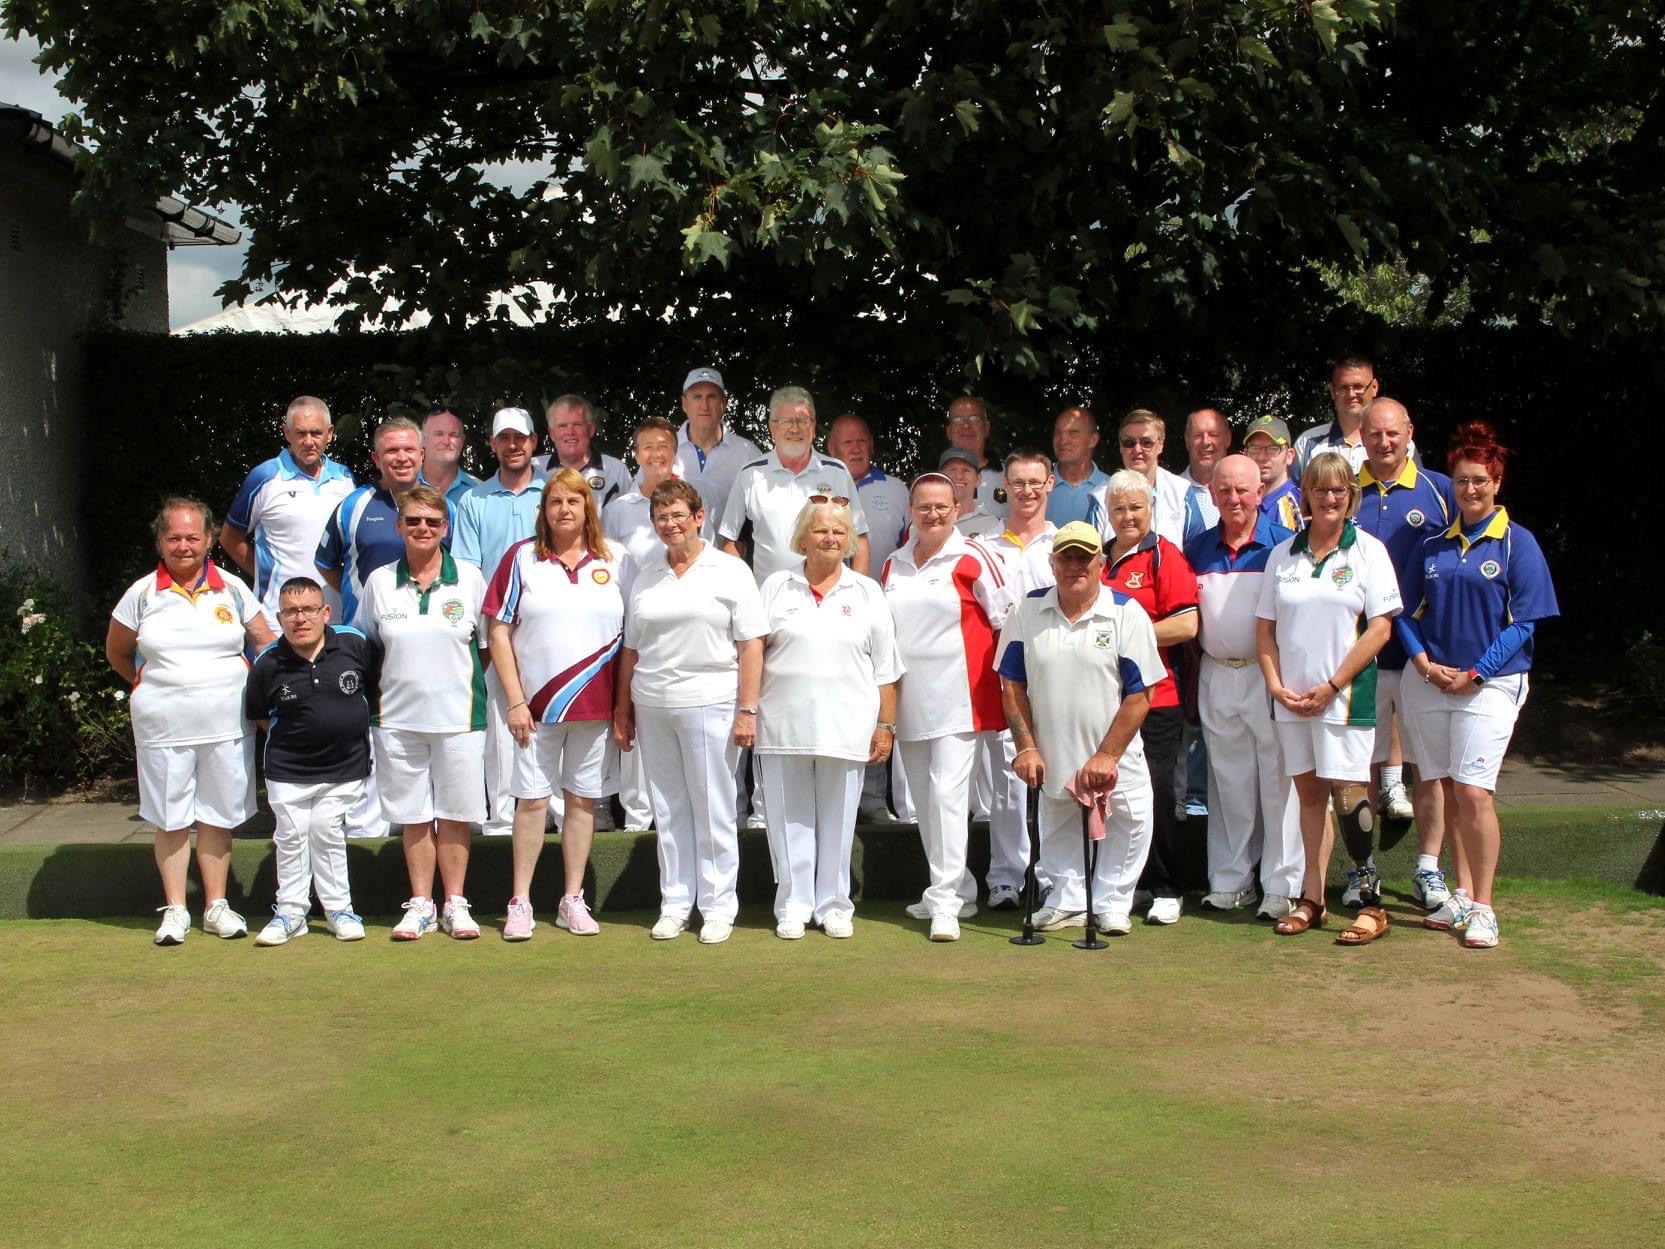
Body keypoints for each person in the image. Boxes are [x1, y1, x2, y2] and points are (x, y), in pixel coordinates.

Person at [1397, 422, 1558, 949]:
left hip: (1490, 684)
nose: (1470, 490)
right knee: (1443, 785)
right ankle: (1461, 894)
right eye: (1462, 481)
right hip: (1433, 680)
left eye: (1480, 481)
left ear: (1497, 481)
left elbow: (1525, 623)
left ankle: (1484, 907)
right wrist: (1423, 664)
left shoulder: (1518, 542)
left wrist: (1477, 672)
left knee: (1473, 792)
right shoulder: (1434, 544)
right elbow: (1403, 614)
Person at [106, 497, 274, 945]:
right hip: (162, 728)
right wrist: (148, 684)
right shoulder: (141, 594)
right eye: (174, 537)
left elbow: (265, 644)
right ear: (160, 541)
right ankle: (176, 909)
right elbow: (117, 651)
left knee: (218, 816)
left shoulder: (234, 588)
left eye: (192, 537)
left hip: (226, 726)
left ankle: (217, 906)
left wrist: (261, 701)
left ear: (209, 540)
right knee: (171, 817)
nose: (184, 545)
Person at [614, 480, 768, 945]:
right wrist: (623, 709)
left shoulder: (730, 570)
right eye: (662, 517)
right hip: (653, 702)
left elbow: (751, 644)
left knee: (714, 804)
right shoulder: (646, 574)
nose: (671, 524)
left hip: (712, 699)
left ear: (699, 517)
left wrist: (748, 709)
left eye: (679, 515)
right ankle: (676, 903)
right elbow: (631, 649)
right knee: (669, 806)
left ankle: (719, 906)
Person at [1255, 452, 1401, 941]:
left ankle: (1371, 902)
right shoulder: (1284, 555)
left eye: (1340, 489)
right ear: (1306, 497)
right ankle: (1311, 899)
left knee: (1349, 795)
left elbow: (1380, 629)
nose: (1331, 498)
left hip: (1345, 698)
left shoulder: (1369, 552)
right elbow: (1265, 630)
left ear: (1351, 496)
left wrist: (1334, 683)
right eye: (1321, 489)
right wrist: (1275, 686)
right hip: (1293, 701)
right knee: (1309, 796)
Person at [1000, 522, 1166, 933]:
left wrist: (1107, 754)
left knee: (1131, 820)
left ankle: (1112, 902)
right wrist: (1026, 746)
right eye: (1067, 557)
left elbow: (1140, 694)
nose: (1075, 565)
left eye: (1084, 557)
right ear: (1053, 563)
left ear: (1101, 563)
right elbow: (1011, 683)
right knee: (1055, 825)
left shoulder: (1127, 612)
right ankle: (1068, 899)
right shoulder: (1026, 610)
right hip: (1051, 751)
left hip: (1115, 756)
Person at [485, 469, 629, 941]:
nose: (564, 509)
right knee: (531, 802)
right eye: (555, 501)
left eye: (575, 500)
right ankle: (520, 901)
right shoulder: (521, 558)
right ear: (543, 510)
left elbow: (632, 638)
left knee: (582, 801)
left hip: (595, 709)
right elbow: (498, 630)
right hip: (535, 710)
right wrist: (514, 700)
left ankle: (572, 899)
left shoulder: (618, 560)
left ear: (589, 506)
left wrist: (622, 707)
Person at [756, 501, 903, 939]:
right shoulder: (776, 586)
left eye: (840, 532)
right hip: (782, 725)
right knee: (788, 821)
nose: (830, 539)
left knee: (839, 821)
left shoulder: (865, 591)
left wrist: (885, 726)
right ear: (803, 538)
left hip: (848, 726)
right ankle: (793, 905)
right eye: (821, 531)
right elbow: (752, 654)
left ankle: (835, 904)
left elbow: (886, 668)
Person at [354, 487, 490, 941]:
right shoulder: (377, 582)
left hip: (459, 717)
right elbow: (367, 646)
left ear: (445, 527)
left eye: (432, 522)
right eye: (413, 521)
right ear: (399, 526)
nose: (423, 529)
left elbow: (486, 648)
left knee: (454, 814)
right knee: (413, 816)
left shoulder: (470, 578)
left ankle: (455, 903)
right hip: (396, 718)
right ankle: (420, 904)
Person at [881, 473, 1011, 941]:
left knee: (947, 797)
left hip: (961, 697)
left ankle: (947, 900)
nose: (932, 515)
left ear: (957, 509)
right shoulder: (893, 564)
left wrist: (1007, 692)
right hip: (910, 702)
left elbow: (1007, 622)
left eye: (941, 506)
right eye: (923, 507)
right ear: (911, 511)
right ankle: (956, 889)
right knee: (923, 800)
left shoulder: (977, 555)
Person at [1185, 456, 1302, 919]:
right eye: (1225, 490)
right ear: (1212, 494)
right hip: (1216, 672)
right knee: (1228, 781)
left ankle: (1280, 884)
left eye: (1243, 490)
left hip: (1267, 673)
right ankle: (1232, 880)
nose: (1234, 499)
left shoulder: (1283, 545)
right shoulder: (1196, 548)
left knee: (1278, 781)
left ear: (1260, 493)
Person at [1357, 396, 1458, 902]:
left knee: (1429, 768)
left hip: (1423, 656)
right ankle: (1364, 868)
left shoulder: (1441, 490)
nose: (1383, 442)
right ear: (1362, 437)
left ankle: (1428, 868)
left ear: (1408, 431)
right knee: (1363, 768)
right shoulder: (1344, 490)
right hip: (1363, 658)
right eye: (1374, 434)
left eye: (1392, 433)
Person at [243, 576, 376, 945]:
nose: (300, 619)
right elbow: (258, 714)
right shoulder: (267, 662)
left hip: (345, 766)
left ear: (325, 612)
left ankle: (338, 910)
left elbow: (377, 691)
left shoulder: (355, 643)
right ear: (280, 617)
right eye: (291, 611)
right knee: (290, 835)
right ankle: (290, 913)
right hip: (288, 769)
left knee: (325, 829)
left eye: (309, 610)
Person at [1099, 470, 1200, 924]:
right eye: (1119, 508)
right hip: (1106, 702)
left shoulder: (1165, 556)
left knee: (1156, 795)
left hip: (1158, 698)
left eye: (1136, 507)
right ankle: (1129, 884)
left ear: (1151, 509)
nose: (1127, 516)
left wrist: (1129, 637)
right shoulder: (1097, 557)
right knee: (1112, 796)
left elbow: (1187, 624)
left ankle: (1167, 887)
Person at [453, 406, 546, 836]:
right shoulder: (473, 500)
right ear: (492, 445)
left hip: (549, 624)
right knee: (502, 723)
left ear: (534, 441)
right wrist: (484, 634)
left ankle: (556, 810)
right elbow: (469, 571)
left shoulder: (553, 492)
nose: (513, 445)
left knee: (554, 716)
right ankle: (503, 816)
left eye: (520, 438)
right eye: (504, 438)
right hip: (498, 630)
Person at [603, 415, 694, 832]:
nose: (656, 454)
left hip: (683, 628)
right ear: (635, 454)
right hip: (630, 629)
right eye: (647, 447)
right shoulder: (619, 509)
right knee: (632, 717)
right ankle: (638, 815)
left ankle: (681, 813)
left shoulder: (693, 497)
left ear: (676, 452)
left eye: (664, 446)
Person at [979, 448, 1059, 906]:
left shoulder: (1063, 543)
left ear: (1049, 484)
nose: (1026, 491)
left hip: (1055, 677)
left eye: (1035, 482)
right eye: (1018, 483)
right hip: (1005, 680)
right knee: (1006, 783)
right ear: (1004, 486)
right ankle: (1006, 876)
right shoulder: (986, 546)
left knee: (1055, 776)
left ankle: (1050, 872)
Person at [826, 412, 910, 823]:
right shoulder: (819, 487)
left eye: (861, 441)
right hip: (824, 611)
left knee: (877, 699)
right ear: (830, 449)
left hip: (878, 610)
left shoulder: (896, 489)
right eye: (846, 443)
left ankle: (874, 799)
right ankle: (830, 798)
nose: (856, 449)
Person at [221, 395, 355, 628]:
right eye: (301, 433)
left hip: (335, 616)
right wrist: (269, 577)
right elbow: (229, 538)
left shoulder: (344, 478)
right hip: (279, 618)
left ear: (330, 433)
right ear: (286, 433)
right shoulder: (264, 477)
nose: (308, 441)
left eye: (316, 433)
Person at [718, 385, 870, 580]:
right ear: (772, 427)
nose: (795, 428)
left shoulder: (837, 472)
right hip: (768, 602)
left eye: (802, 421)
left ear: (814, 427)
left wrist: (856, 593)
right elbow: (732, 542)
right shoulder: (751, 474)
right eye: (786, 421)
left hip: (829, 600)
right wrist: (745, 596)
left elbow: (860, 539)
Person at [315, 416, 447, 635]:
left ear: (422, 455)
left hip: (426, 633)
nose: (402, 458)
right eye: (392, 451)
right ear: (376, 458)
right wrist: (365, 596)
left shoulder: (442, 506)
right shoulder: (352, 506)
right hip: (363, 635)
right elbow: (325, 563)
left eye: (409, 450)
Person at [672, 367, 761, 525]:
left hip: (729, 550)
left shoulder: (748, 454)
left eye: (711, 397)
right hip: (672, 550)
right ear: (684, 404)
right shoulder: (665, 451)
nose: (704, 405)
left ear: (723, 403)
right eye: (697, 397)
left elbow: (761, 515)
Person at [1107, 408, 1189, 549]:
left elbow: (1197, 555)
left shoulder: (1183, 492)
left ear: (1161, 444)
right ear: (1121, 446)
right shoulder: (1100, 496)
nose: (1137, 449)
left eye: (1146, 443)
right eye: (1129, 443)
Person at [533, 394, 632, 509]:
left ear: (591, 429)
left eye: (577, 424)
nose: (570, 432)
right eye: (562, 426)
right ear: (551, 433)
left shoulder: (616, 470)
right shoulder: (534, 468)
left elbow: (630, 517)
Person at [944, 394, 1009, 518]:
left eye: (974, 419)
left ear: (986, 428)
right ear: (948, 431)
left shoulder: (1010, 476)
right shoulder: (934, 480)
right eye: (958, 420)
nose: (966, 426)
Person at [1046, 406, 1108, 527]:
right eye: (1058, 433)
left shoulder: (1110, 488)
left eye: (1073, 433)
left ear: (1093, 440)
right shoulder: (1038, 488)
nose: (1063, 440)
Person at [1244, 414, 1302, 531]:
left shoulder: (1290, 505)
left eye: (1273, 449)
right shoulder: (1242, 501)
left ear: (1289, 456)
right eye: (1255, 448)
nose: (1262, 457)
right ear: (1245, 454)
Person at [1179, 407, 1228, 546]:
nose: (1205, 441)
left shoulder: (1244, 491)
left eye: (1213, 434)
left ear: (1228, 439)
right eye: (1197, 435)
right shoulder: (1174, 492)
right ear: (1187, 441)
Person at [420, 407, 480, 506]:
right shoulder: (404, 487)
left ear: (462, 441)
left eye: (454, 435)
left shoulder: (479, 492)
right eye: (439, 434)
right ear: (423, 439)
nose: (446, 442)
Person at [942, 447, 1001, 537]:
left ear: (978, 479)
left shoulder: (993, 526)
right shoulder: (923, 523)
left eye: (966, 470)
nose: (959, 476)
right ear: (940, 477)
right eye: (952, 470)